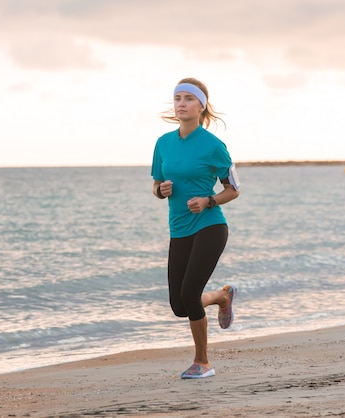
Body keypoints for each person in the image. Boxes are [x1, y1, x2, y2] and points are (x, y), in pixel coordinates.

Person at [151, 77, 240, 379]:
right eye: (178, 99)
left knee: (190, 294)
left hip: (210, 226)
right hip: (179, 229)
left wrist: (208, 201)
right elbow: (155, 185)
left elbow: (233, 189)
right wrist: (160, 190)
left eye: (189, 99)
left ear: (202, 106)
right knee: (179, 304)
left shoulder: (214, 146)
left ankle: (202, 362)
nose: (181, 104)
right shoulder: (163, 143)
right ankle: (222, 296)